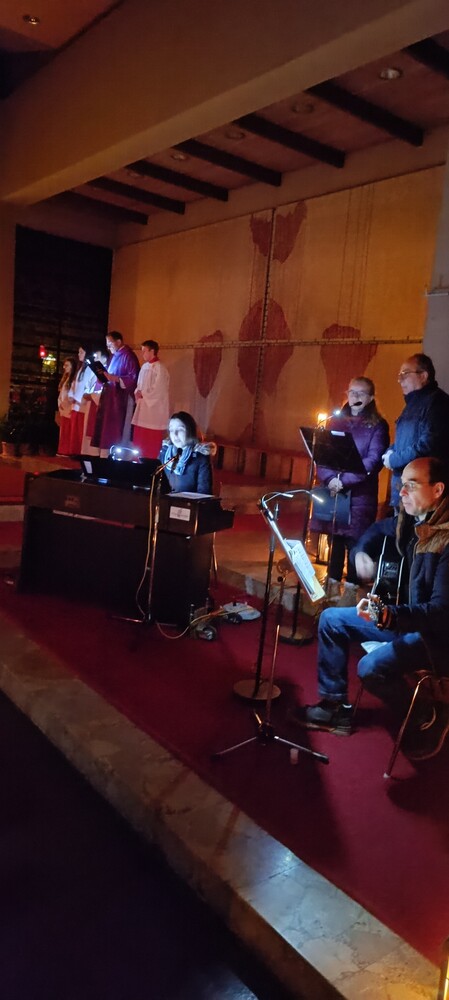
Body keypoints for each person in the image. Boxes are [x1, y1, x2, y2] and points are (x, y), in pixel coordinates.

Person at [292, 457, 449, 761]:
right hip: (407, 621)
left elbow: (441, 613)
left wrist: (391, 615)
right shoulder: (414, 520)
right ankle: (334, 707)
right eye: (402, 484)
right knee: (331, 619)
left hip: (435, 639)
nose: (401, 492)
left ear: (438, 489)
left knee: (370, 668)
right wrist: (362, 551)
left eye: (411, 485)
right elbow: (378, 529)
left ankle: (426, 714)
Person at [311, 377, 389, 606]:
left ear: (371, 398)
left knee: (355, 542)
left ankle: (350, 592)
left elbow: (373, 460)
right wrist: (329, 478)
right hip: (335, 492)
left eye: (361, 393)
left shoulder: (377, 425)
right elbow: (323, 454)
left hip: (360, 495)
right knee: (335, 540)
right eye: (352, 392)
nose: (355, 397)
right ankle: (331, 587)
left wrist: (343, 481)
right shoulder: (335, 421)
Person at [382, 354, 449, 509]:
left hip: (421, 491)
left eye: (405, 374)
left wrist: (394, 460)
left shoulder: (437, 403)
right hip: (404, 486)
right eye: (399, 375)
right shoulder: (413, 404)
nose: (400, 380)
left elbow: (428, 445)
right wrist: (390, 451)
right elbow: (405, 439)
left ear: (423, 376)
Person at [91, 331, 140, 457]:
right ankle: (107, 454)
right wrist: (103, 377)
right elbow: (109, 374)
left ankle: (120, 456)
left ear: (118, 342)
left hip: (121, 399)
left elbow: (133, 378)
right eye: (107, 345)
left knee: (119, 428)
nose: (108, 347)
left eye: (110, 344)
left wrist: (116, 378)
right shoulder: (114, 356)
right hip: (111, 397)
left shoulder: (128, 356)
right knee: (108, 428)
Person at [158, 411, 216, 494]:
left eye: (180, 430)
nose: (175, 434)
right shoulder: (164, 452)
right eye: (171, 430)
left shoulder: (200, 457)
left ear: (190, 431)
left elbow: (204, 493)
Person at [131, 339, 170, 458]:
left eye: (144, 351)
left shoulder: (160, 368)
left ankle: (150, 461)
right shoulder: (144, 367)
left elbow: (159, 390)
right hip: (143, 407)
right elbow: (139, 385)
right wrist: (138, 392)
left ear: (152, 351)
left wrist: (144, 394)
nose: (142, 354)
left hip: (154, 411)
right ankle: (137, 459)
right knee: (139, 438)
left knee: (150, 440)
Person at [67, 343, 97, 455]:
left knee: (80, 431)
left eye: (81, 352)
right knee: (74, 431)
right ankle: (73, 452)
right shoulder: (81, 368)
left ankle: (78, 453)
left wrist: (79, 398)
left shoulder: (90, 368)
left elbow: (87, 386)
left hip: (82, 404)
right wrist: (71, 395)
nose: (79, 354)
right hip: (75, 404)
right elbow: (75, 383)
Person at [80, 346, 109, 455]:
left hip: (98, 405)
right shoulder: (95, 372)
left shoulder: (107, 371)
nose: (95, 359)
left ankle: (95, 455)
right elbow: (89, 386)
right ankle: (88, 454)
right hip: (91, 404)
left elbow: (104, 390)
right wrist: (86, 393)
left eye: (98, 357)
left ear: (105, 358)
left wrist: (91, 395)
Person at [56, 356, 76, 456]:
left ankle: (66, 450)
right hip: (63, 407)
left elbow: (71, 395)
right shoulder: (66, 379)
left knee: (67, 430)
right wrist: (60, 403)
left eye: (67, 365)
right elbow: (62, 394)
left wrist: (66, 404)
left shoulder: (73, 380)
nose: (64, 367)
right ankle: (62, 449)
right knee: (63, 430)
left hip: (68, 408)